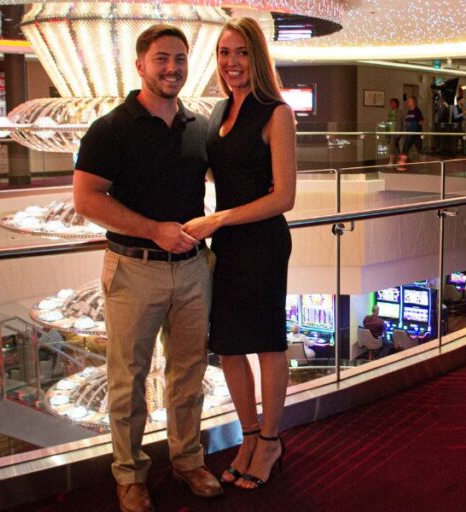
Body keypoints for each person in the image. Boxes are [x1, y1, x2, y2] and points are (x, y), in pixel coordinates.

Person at [73, 24, 222, 512]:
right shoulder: (111, 128)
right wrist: (153, 229)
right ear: (140, 65)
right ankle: (130, 474)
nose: (172, 68)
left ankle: (187, 460)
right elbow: (87, 199)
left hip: (194, 268)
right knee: (127, 379)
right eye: (162, 59)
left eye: (179, 59)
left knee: (189, 373)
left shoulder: (198, 127)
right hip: (133, 268)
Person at [180, 17, 296, 491]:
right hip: (226, 244)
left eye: (242, 52)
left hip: (263, 241)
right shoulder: (216, 113)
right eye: (225, 53)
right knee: (228, 345)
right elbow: (213, 170)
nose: (232, 62)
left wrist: (218, 218)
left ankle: (270, 441)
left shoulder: (277, 112)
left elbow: (284, 197)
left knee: (266, 342)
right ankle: (248, 434)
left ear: (258, 57)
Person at [397, 95, 424, 171]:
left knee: (420, 150)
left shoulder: (417, 111)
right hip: (409, 134)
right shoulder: (409, 111)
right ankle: (402, 166)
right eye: (407, 101)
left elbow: (421, 121)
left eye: (409, 101)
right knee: (405, 149)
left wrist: (414, 125)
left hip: (416, 134)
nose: (407, 102)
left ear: (413, 102)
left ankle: (422, 166)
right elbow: (407, 121)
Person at [385, 98, 401, 164]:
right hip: (390, 132)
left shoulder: (400, 112)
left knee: (392, 146)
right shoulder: (390, 112)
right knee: (396, 147)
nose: (391, 104)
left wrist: (400, 131)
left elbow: (402, 122)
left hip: (396, 132)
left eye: (393, 103)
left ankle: (391, 162)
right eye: (390, 103)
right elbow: (388, 122)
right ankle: (400, 160)